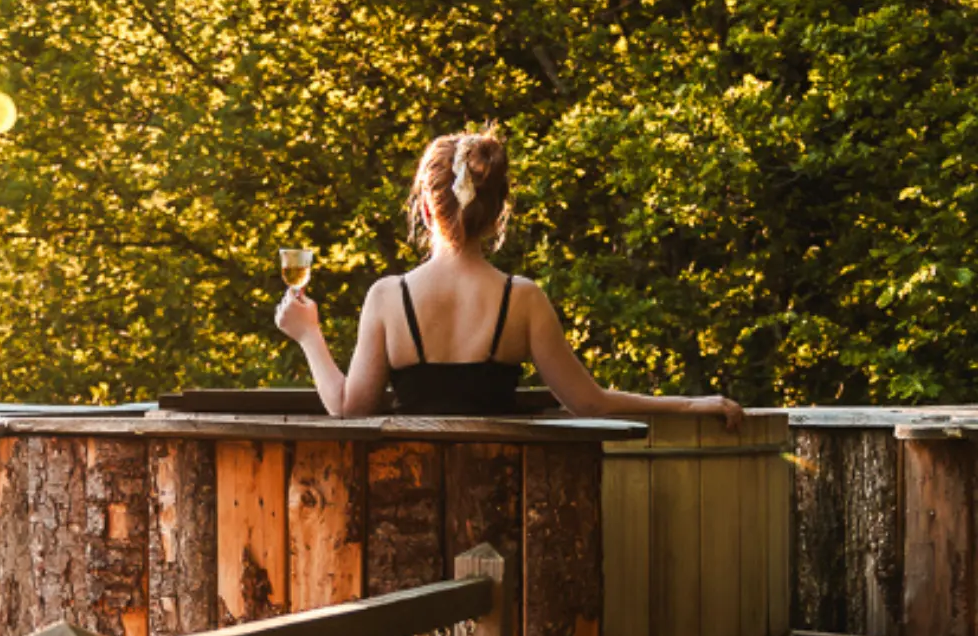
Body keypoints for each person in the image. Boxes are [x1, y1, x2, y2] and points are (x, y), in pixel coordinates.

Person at [274, 129, 743, 427]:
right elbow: (590, 403)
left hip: (408, 506)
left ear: (426, 209)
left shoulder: (388, 297)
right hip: (501, 502)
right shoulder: (523, 299)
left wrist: (309, 335)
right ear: (499, 211)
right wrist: (689, 404)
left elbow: (349, 409)